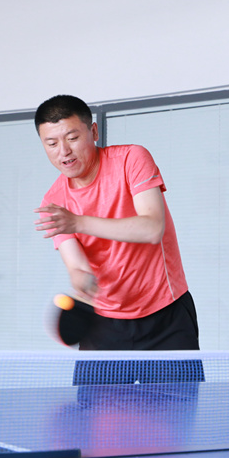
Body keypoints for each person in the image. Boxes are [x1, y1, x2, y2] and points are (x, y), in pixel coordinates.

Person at [33, 95, 203, 383]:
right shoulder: (55, 201)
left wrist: (78, 222)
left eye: (72, 138)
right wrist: (82, 280)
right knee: (93, 413)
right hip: (103, 326)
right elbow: (77, 266)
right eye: (51, 143)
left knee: (177, 410)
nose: (64, 151)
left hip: (166, 315)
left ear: (93, 132)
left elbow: (152, 228)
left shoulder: (131, 159)